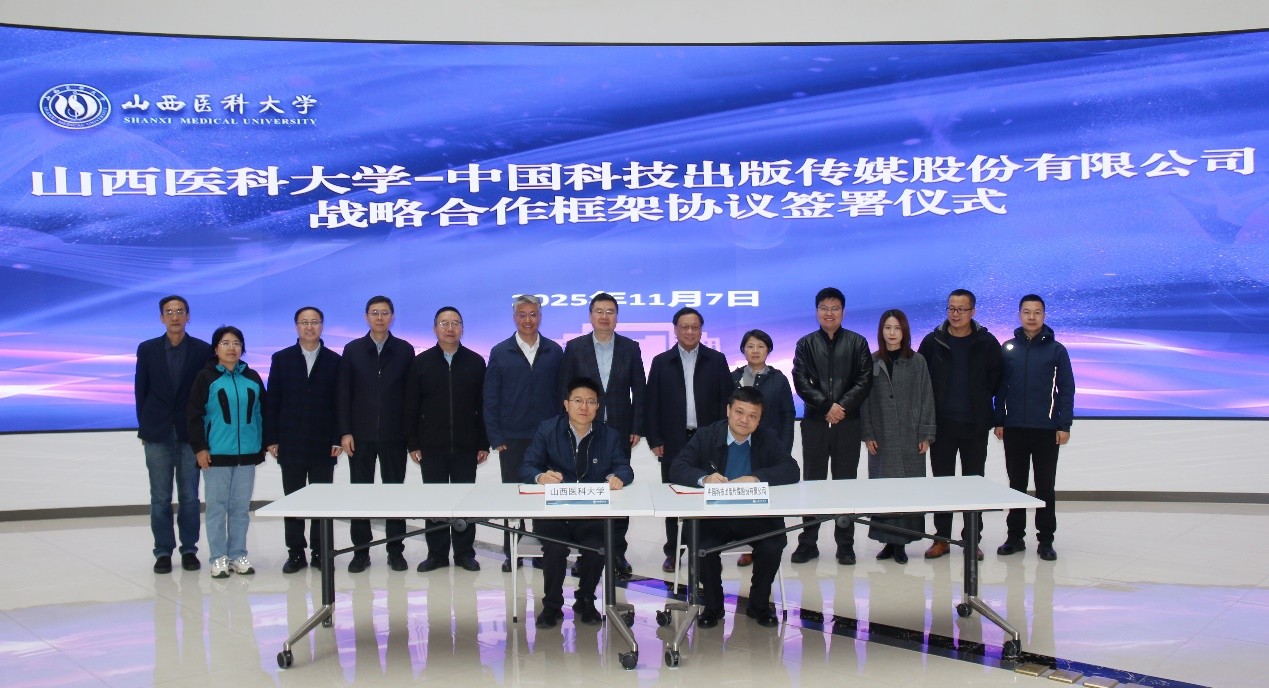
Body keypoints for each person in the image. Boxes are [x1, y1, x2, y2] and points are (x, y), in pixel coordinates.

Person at [669, 386, 800, 628]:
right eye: (739, 412)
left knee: (773, 543)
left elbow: (792, 469)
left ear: (759, 420)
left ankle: (759, 605)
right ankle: (713, 606)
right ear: (728, 410)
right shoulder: (707, 435)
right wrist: (704, 479)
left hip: (755, 515)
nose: (744, 420)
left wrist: (756, 478)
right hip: (714, 515)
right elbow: (677, 468)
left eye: (752, 416)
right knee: (701, 544)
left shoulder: (768, 438)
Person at [519, 377, 633, 629]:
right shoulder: (548, 430)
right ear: (566, 404)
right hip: (554, 513)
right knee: (555, 548)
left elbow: (625, 468)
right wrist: (540, 477)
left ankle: (585, 600)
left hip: (590, 513)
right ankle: (552, 605)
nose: (584, 407)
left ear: (598, 407)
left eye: (591, 402)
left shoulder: (609, 435)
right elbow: (527, 467)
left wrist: (618, 477)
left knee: (598, 547)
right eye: (578, 401)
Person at [558, 292, 646, 578]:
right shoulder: (575, 347)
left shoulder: (631, 348)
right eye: (599, 311)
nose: (604, 317)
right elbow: (565, 389)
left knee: (618, 489)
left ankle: (617, 552)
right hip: (582, 430)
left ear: (616, 317)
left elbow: (639, 390)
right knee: (585, 491)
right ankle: (587, 552)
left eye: (610, 311)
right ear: (590, 315)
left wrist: (637, 426)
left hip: (619, 431)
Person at [646, 306, 734, 573]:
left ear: (701, 330)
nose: (690, 331)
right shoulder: (661, 362)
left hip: (708, 439)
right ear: (675, 330)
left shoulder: (716, 360)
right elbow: (652, 403)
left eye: (695, 327)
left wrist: (723, 437)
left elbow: (726, 402)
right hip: (673, 440)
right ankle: (674, 551)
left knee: (707, 495)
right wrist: (655, 439)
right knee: (673, 497)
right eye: (684, 327)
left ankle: (704, 550)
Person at [917, 289, 1001, 561]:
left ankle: (972, 540)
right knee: (942, 484)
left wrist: (990, 412)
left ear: (972, 312)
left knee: (973, 484)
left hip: (974, 425)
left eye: (961, 309)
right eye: (951, 308)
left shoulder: (987, 342)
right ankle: (941, 539)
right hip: (942, 426)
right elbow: (921, 381)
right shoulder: (933, 342)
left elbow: (997, 381)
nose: (955, 314)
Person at [791, 287, 873, 566]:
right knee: (812, 483)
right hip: (815, 422)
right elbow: (800, 380)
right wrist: (826, 406)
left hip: (848, 423)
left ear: (843, 312)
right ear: (817, 311)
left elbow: (864, 380)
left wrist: (841, 407)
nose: (829, 313)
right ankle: (808, 543)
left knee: (845, 483)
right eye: (824, 308)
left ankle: (845, 545)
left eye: (835, 308)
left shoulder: (857, 342)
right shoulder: (805, 344)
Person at [405, 306, 489, 573]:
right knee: (436, 503)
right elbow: (411, 406)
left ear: (462, 328)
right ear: (435, 329)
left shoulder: (476, 362)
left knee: (465, 501)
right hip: (431, 446)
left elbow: (483, 406)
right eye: (444, 323)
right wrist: (413, 443)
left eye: (455, 323)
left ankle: (465, 553)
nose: (450, 328)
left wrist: (483, 443)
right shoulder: (421, 362)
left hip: (467, 445)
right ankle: (437, 554)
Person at [484, 294, 564, 572]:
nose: (528, 320)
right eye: (522, 314)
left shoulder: (554, 350)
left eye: (533, 314)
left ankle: (544, 551)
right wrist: (496, 438)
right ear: (514, 317)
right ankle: (512, 553)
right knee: (513, 497)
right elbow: (491, 398)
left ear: (540, 317)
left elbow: (562, 396)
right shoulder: (500, 351)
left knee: (545, 495)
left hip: (547, 438)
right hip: (512, 439)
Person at [337, 296, 416, 573]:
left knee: (394, 494)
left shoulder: (405, 350)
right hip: (360, 435)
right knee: (361, 495)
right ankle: (361, 552)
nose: (379, 318)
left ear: (392, 316)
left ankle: (395, 551)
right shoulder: (352, 349)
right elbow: (344, 393)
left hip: (395, 435)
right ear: (366, 317)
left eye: (384, 313)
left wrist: (410, 435)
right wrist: (345, 431)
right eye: (374, 313)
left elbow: (411, 397)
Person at [994, 294, 1075, 561]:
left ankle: (1046, 540)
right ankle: (1014, 537)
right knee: (1016, 485)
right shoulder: (1008, 348)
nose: (1031, 317)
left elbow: (1066, 389)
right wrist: (999, 420)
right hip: (1014, 428)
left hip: (1046, 430)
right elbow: (1001, 388)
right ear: (1019, 315)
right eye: (1027, 312)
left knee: (1044, 487)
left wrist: (1064, 424)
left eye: (1037, 312)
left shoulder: (1057, 350)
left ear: (1044, 315)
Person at [135, 295, 212, 574]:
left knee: (190, 496)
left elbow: (205, 394)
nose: (175, 316)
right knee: (160, 497)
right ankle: (163, 552)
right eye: (169, 312)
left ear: (188, 316)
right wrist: (145, 426)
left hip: (190, 434)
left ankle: (189, 549)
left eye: (180, 311)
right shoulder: (147, 349)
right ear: (161, 318)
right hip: (157, 433)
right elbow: (141, 390)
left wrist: (204, 435)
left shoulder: (203, 350)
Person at [264, 306, 341, 574]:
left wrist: (337, 437)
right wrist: (272, 438)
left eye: (314, 322)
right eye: (304, 322)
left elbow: (340, 402)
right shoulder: (281, 358)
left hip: (324, 444)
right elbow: (273, 400)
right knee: (293, 500)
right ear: (296, 326)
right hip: (290, 441)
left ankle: (321, 551)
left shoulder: (335, 360)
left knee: (321, 501)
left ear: (322, 326)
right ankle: (295, 552)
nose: (309, 327)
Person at [186, 325, 265, 579]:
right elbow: (194, 416)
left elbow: (262, 413)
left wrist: (262, 444)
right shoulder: (205, 378)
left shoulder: (252, 377)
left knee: (240, 508)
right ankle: (218, 557)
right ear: (216, 348)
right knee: (217, 508)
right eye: (226, 343)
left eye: (236, 343)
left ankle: (238, 554)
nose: (232, 348)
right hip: (216, 455)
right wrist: (200, 448)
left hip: (247, 455)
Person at [860, 310, 936, 565]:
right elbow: (864, 401)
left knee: (907, 491)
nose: (892, 333)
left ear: (905, 332)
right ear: (881, 331)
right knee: (885, 491)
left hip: (910, 436)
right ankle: (887, 542)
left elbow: (926, 397)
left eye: (897, 328)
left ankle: (901, 543)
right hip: (881, 437)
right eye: (887, 328)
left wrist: (926, 433)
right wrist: (868, 433)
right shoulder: (872, 361)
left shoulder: (917, 361)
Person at [730, 328, 795, 567]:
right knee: (746, 499)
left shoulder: (778, 379)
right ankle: (747, 547)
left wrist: (784, 448)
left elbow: (788, 415)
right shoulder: (734, 377)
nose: (755, 351)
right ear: (743, 350)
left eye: (760, 346)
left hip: (770, 448)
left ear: (768, 350)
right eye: (750, 346)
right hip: (742, 446)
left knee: (768, 499)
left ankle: (769, 544)